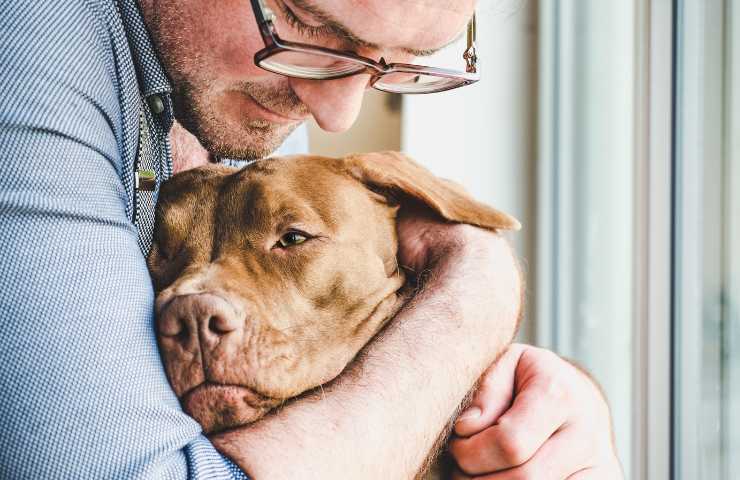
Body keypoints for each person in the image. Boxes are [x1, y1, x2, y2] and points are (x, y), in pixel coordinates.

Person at [0, 0, 623, 478]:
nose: (336, 114)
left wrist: (534, 414)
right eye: (305, 23)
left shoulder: (250, 97)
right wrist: (473, 298)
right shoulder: (32, 48)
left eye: (399, 61)